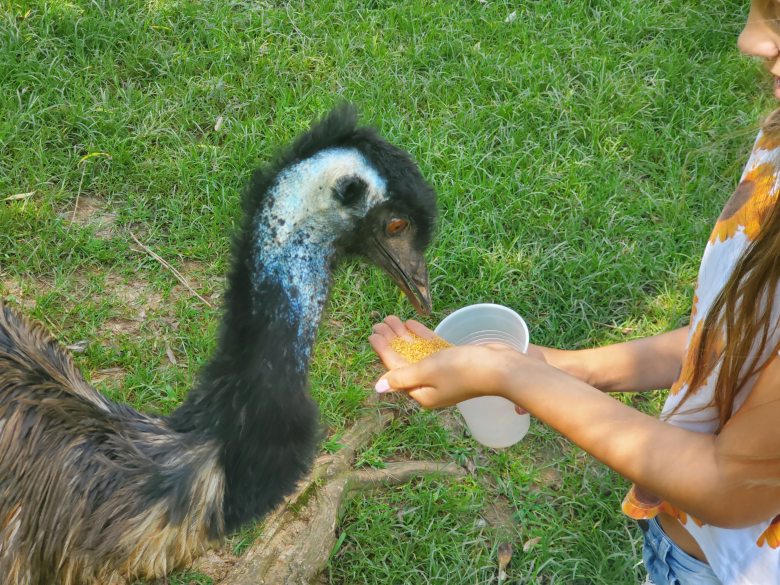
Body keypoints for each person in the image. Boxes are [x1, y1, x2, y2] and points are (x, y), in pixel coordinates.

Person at [368, 2, 780, 584]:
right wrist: (564, 368)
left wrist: (513, 378)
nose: (751, 40)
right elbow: (738, 339)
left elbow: (729, 488)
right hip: (683, 537)